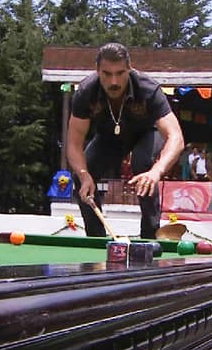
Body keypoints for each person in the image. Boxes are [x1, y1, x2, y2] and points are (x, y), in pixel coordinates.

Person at [66, 43, 183, 240]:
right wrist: (84, 174)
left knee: (143, 166)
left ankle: (149, 236)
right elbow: (73, 144)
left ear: (129, 69)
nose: (114, 81)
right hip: (108, 139)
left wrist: (157, 171)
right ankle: (96, 239)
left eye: (120, 73)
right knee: (81, 177)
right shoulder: (86, 92)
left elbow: (176, 137)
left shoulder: (148, 89)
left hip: (146, 133)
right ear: (97, 71)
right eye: (106, 74)